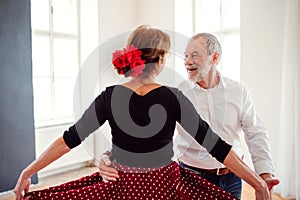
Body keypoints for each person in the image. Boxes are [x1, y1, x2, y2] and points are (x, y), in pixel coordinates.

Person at [14, 25, 271, 200]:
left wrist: (28, 171)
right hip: (165, 186)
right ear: (159, 60)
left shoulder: (110, 96)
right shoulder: (174, 97)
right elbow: (216, 146)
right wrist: (257, 182)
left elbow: (69, 139)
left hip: (121, 185)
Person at [98, 32, 280, 199]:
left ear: (214, 57)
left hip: (231, 178)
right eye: (185, 56)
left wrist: (264, 175)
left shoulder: (238, 91)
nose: (187, 61)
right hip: (190, 177)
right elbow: (143, 134)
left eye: (195, 55)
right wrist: (109, 155)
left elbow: (255, 133)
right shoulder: (177, 94)